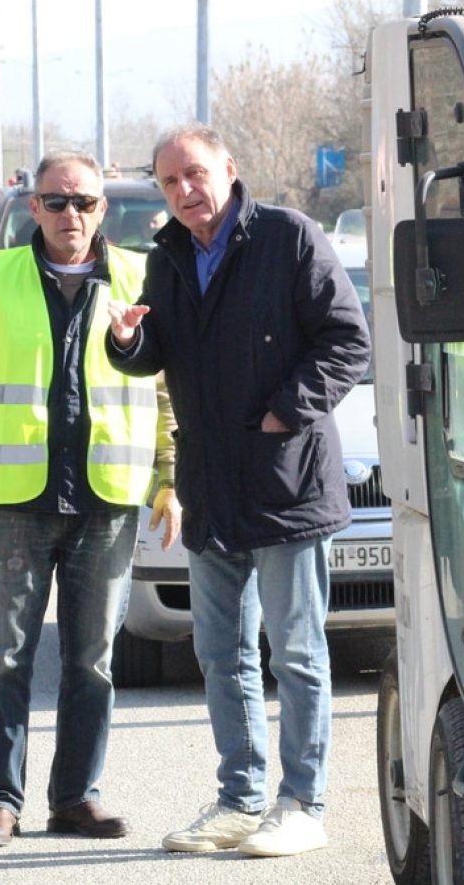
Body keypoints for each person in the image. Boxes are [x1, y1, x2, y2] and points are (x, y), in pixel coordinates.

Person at [104, 124, 370, 858]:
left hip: (286, 482)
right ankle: (239, 799)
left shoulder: (288, 237)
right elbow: (158, 353)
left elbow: (348, 340)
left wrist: (285, 410)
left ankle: (302, 802)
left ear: (228, 168)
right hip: (211, 487)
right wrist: (127, 340)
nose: (184, 192)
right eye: (169, 182)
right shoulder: (170, 255)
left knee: (297, 652)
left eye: (194, 174)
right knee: (222, 653)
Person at [0, 150, 181, 849]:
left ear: (102, 208)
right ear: (33, 207)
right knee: (1, 658)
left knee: (92, 659)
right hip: (13, 502)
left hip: (106, 501)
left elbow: (164, 395)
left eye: (82, 201)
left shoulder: (139, 276)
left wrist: (170, 479)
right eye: (54, 201)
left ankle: (76, 797)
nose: (69, 214)